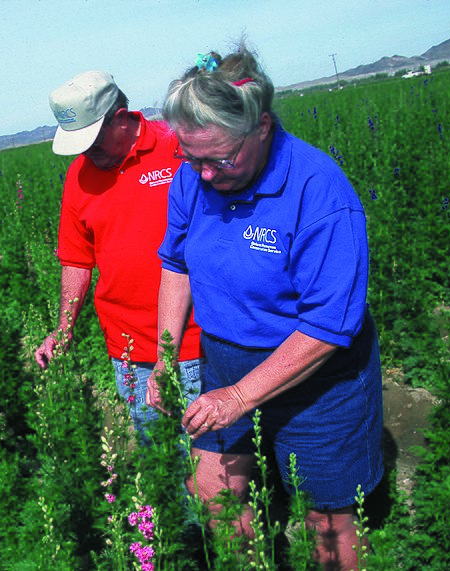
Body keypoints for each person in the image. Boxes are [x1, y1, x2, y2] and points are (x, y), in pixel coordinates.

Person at [147, 46, 384, 571]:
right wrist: (165, 356)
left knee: (328, 520)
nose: (204, 175)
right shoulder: (193, 177)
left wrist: (239, 396)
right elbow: (176, 265)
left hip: (317, 377)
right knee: (214, 491)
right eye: (190, 157)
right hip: (225, 359)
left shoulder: (319, 192)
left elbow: (327, 325)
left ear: (263, 127)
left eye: (220, 159)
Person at [35, 70, 204, 446]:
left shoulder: (176, 145)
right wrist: (64, 329)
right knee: (161, 466)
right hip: (130, 354)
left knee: (212, 477)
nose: (85, 151)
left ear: (121, 116)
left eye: (92, 138)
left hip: (197, 344)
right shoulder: (79, 176)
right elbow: (77, 260)